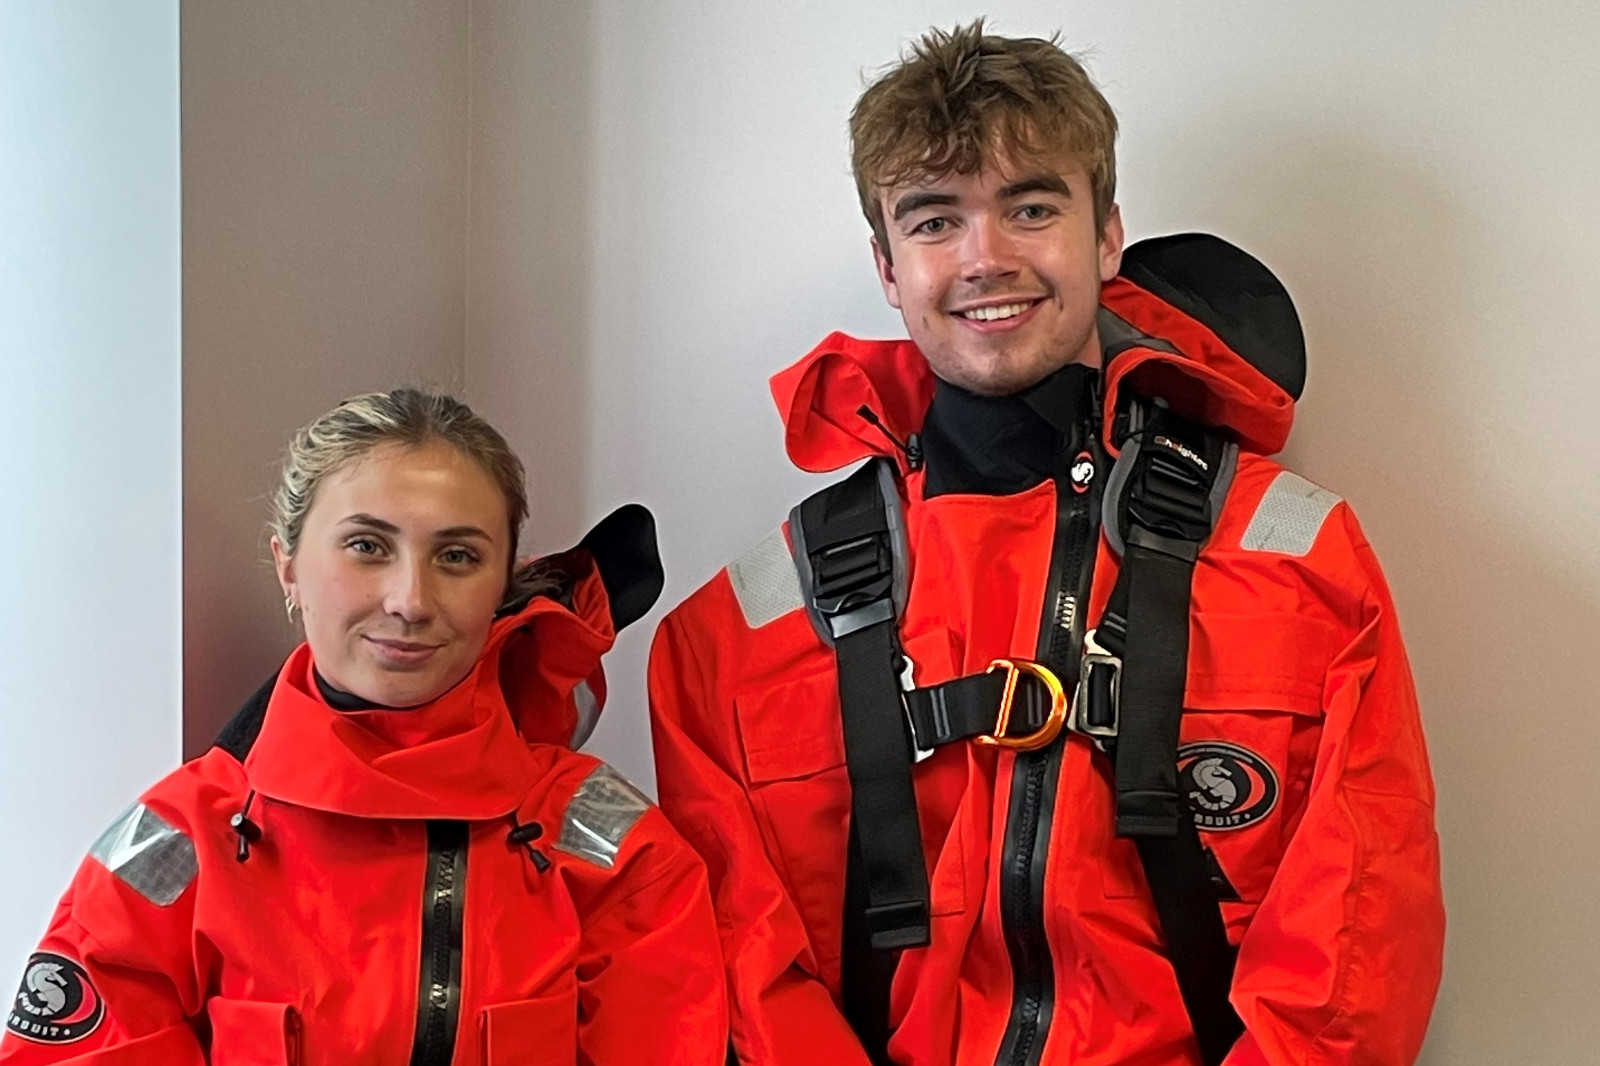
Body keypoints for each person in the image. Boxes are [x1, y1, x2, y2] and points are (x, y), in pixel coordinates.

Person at [647, 20, 1444, 1066]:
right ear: (887, 267)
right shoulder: (734, 636)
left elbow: (1357, 944)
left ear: (1106, 235)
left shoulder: (1298, 565)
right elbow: (736, 971)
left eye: (1030, 206)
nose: (986, 258)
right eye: (935, 220)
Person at [3, 388, 727, 1065]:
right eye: (367, 546)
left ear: (504, 582)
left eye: (457, 557)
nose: (410, 599)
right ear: (287, 566)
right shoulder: (178, 843)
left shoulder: (611, 849)